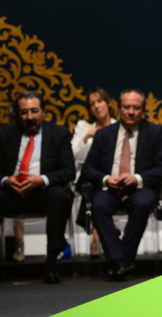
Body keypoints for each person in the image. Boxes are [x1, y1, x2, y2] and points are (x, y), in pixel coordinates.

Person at [0, 91, 75, 287]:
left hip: (42, 193)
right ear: (17, 114)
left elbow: (69, 171)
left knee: (59, 196)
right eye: (24, 112)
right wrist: (7, 180)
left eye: (34, 111)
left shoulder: (59, 134)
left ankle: (51, 264)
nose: (29, 117)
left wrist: (42, 180)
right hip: (12, 193)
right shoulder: (6, 135)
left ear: (44, 112)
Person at [81, 89, 162, 280]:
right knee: (97, 205)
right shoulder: (104, 134)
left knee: (142, 203)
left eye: (136, 108)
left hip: (140, 188)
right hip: (109, 188)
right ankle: (121, 262)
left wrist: (137, 177)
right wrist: (106, 179)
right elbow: (88, 169)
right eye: (126, 107)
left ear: (144, 109)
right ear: (119, 108)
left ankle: (118, 261)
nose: (131, 111)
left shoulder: (155, 132)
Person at [72, 86, 117, 255]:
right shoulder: (83, 126)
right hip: (87, 178)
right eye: (92, 104)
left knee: (100, 181)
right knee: (92, 178)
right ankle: (110, 226)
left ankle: (96, 238)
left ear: (109, 103)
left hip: (114, 177)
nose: (96, 106)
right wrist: (86, 138)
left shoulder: (118, 126)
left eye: (100, 101)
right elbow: (74, 157)